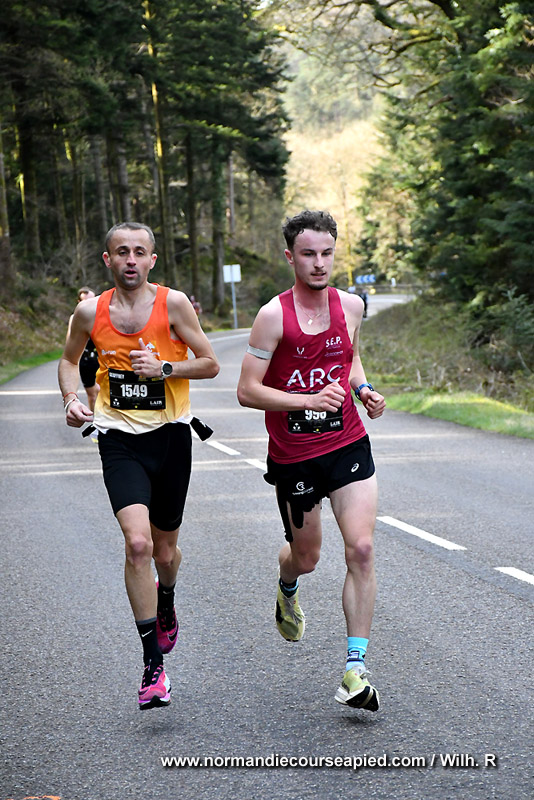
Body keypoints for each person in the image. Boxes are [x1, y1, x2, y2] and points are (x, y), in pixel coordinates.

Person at [58, 222, 219, 710]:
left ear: (152, 259)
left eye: (139, 252)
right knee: (138, 544)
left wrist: (166, 368)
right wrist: (71, 399)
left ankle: (165, 599)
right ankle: (153, 667)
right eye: (122, 252)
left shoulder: (174, 305)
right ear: (107, 260)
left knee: (165, 553)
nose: (131, 259)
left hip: (170, 437)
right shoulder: (89, 312)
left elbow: (210, 362)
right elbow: (68, 361)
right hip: (118, 438)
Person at [237, 210, 386, 711]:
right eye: (308, 254)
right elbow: (247, 391)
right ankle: (287, 586)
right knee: (307, 557)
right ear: (290, 257)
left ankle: (355, 669)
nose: (319, 263)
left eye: (326, 253)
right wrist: (307, 400)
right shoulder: (273, 316)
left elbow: (349, 360)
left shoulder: (351, 305)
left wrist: (363, 390)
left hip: (347, 443)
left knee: (361, 549)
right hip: (295, 455)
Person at [66, 286, 99, 412]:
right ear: (79, 302)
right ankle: (95, 419)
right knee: (92, 394)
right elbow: (70, 342)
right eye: (85, 301)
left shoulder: (106, 316)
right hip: (86, 360)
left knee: (104, 392)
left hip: (102, 359)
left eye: (92, 300)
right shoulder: (75, 318)